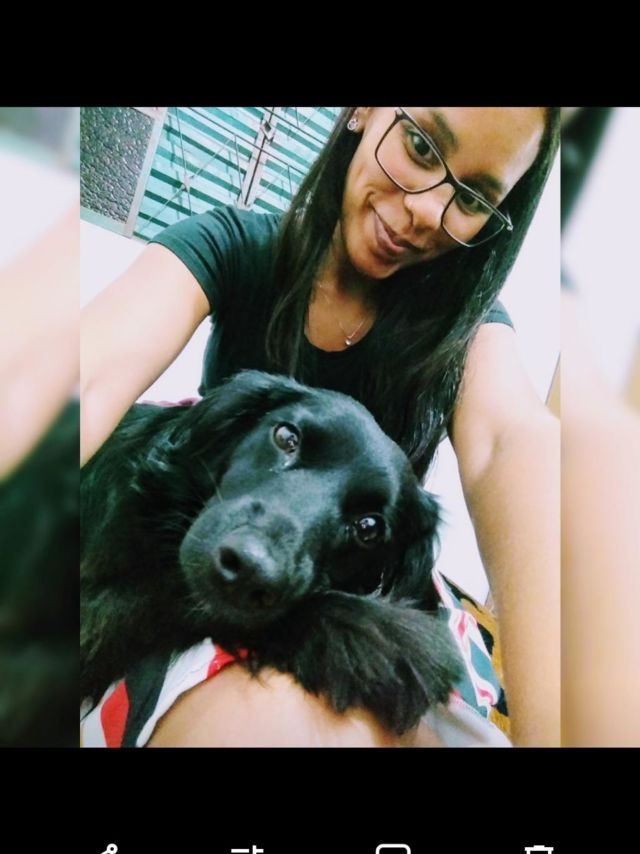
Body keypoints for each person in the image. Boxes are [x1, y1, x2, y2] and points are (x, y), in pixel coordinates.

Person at [81, 107, 560, 747]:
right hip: (190, 561)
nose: (426, 211)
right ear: (362, 112)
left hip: (332, 589)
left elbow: (511, 442)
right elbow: (91, 369)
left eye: (472, 197)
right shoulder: (236, 243)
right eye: (421, 146)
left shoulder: (465, 335)